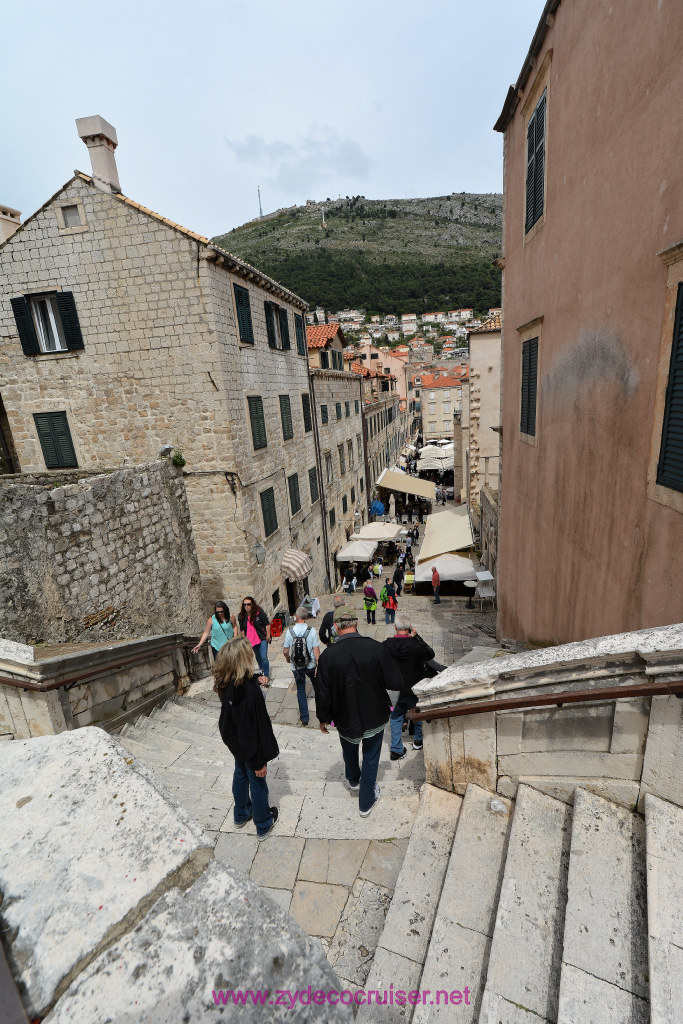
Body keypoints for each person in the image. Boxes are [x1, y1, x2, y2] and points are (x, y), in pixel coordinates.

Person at [315, 607, 395, 816]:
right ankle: (365, 802)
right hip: (374, 713)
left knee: (349, 748)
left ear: (335, 627)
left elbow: (322, 692)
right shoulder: (375, 648)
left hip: (344, 715)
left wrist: (323, 718)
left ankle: (353, 779)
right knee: (371, 756)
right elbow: (393, 680)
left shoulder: (327, 656)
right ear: (356, 623)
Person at [214, 637, 279, 839]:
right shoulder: (249, 694)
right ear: (243, 659)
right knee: (257, 781)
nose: (252, 654)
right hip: (248, 745)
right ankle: (263, 823)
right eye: (249, 653)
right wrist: (259, 762)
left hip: (234, 742)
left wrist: (256, 677)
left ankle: (241, 814)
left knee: (240, 774)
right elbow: (250, 731)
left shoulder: (227, 683)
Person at [382, 613, 434, 760]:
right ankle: (418, 740)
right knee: (417, 713)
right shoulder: (416, 645)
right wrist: (417, 637)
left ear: (395, 626)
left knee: (396, 716)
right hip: (414, 686)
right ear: (410, 628)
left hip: (395, 687)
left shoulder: (386, 645)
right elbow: (430, 654)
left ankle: (396, 748)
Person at [283, 607, 320, 727]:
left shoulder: (290, 631)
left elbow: (285, 650)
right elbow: (316, 650)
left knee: (300, 690)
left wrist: (288, 659)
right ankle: (322, 714)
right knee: (318, 688)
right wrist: (317, 666)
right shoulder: (312, 631)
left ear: (297, 617)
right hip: (310, 665)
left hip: (297, 667)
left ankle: (304, 718)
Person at [238, 597, 271, 683]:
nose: (246, 606)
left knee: (264, 657)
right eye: (244, 604)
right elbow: (242, 629)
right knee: (258, 656)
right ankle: (262, 671)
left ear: (252, 604)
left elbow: (267, 624)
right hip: (251, 640)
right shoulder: (242, 616)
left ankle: (266, 675)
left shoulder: (259, 613)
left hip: (262, 638)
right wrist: (244, 640)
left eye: (248, 604)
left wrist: (268, 635)